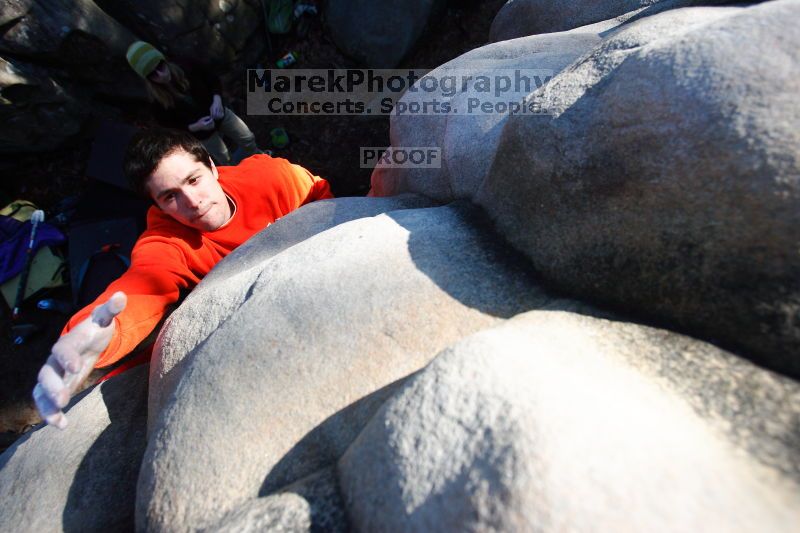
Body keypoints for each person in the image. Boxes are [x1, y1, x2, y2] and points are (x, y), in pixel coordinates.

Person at [33, 128, 333, 428]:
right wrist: (92, 334)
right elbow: (142, 288)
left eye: (193, 180)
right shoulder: (167, 241)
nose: (193, 202)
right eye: (170, 196)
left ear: (213, 168)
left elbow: (319, 194)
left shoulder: (271, 178)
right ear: (157, 205)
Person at [126, 41, 261, 165]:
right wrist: (195, 127)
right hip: (202, 134)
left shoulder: (186, 65)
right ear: (147, 79)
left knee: (247, 138)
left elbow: (212, 79)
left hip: (220, 113)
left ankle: (259, 160)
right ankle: (242, 176)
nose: (161, 75)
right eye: (153, 74)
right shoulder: (156, 102)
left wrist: (217, 99)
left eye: (160, 66)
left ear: (163, 59)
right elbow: (171, 128)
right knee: (226, 159)